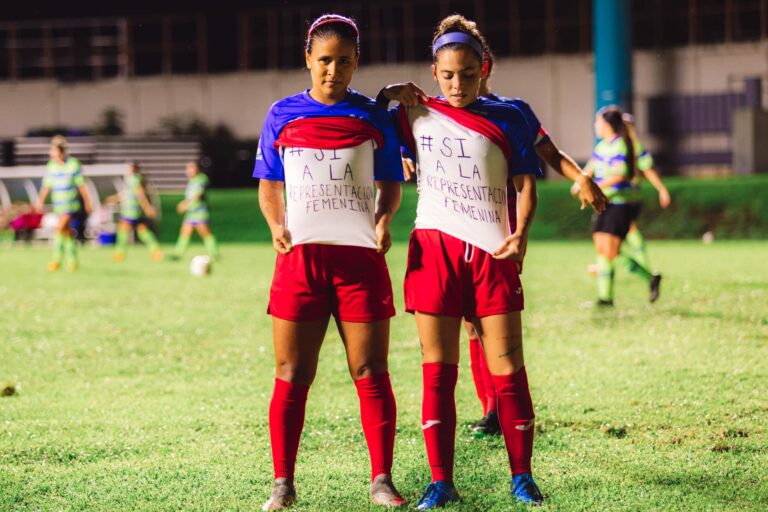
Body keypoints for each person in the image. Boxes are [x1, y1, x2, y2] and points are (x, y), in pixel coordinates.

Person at [380, 14, 545, 507]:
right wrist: (389, 93)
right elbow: (359, 118)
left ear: (484, 68)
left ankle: (522, 476)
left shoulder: (510, 115)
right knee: (438, 368)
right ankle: (440, 481)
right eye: (447, 75)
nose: (457, 84)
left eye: (467, 74)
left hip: (492, 252)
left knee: (510, 366)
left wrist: (520, 236)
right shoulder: (412, 113)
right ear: (433, 72)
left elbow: (526, 184)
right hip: (434, 252)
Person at [253, 14, 405, 510]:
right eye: (324, 61)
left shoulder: (372, 115)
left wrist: (383, 222)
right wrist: (276, 226)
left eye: (343, 61)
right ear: (308, 60)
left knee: (370, 370)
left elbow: (390, 185)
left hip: (359, 261)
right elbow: (270, 187)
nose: (333, 71)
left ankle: (381, 479)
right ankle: (282, 484)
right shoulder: (282, 113)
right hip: (301, 261)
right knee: (291, 372)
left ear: (356, 61)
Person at [584, 105, 666, 306]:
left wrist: (662, 189)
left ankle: (648, 277)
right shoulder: (601, 147)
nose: (596, 125)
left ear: (608, 124)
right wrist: (580, 182)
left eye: (598, 121)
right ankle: (606, 297)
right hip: (605, 203)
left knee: (614, 249)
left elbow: (625, 174)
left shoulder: (626, 146)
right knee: (603, 250)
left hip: (621, 203)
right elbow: (590, 169)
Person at [617, 113, 671, 293]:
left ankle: (647, 272)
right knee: (625, 234)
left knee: (620, 237)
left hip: (625, 199)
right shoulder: (619, 146)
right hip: (620, 199)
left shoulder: (632, 146)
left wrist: (661, 189)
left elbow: (647, 170)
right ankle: (646, 273)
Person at [34, 135, 93, 271]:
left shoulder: (73, 164)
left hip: (70, 205)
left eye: (52, 150)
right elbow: (46, 186)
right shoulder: (51, 166)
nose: (50, 153)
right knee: (66, 233)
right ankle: (73, 261)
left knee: (59, 229)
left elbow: (82, 185)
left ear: (60, 151)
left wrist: (88, 202)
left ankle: (56, 260)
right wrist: (40, 201)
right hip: (58, 206)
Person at [105, 162, 163, 262]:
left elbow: (141, 195)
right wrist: (114, 199)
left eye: (130, 168)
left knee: (123, 231)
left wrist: (147, 208)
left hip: (132, 211)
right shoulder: (130, 180)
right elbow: (125, 195)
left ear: (135, 169)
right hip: (131, 211)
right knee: (142, 230)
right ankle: (155, 250)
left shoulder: (135, 179)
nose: (128, 170)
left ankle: (119, 253)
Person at [169, 161, 219, 260]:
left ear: (197, 169)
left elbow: (198, 194)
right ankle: (177, 254)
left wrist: (185, 204)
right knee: (184, 233)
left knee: (205, 233)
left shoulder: (201, 179)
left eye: (191, 168)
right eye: (187, 169)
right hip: (191, 213)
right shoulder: (192, 181)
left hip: (199, 212)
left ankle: (214, 254)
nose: (189, 171)